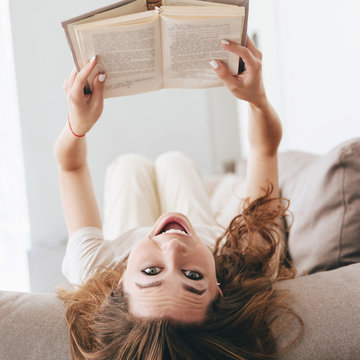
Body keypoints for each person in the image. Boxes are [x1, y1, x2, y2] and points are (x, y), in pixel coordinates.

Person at [55, 37, 302, 360]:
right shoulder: (247, 258)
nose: (173, 249)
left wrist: (77, 124)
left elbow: (71, 167)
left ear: (118, 287)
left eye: (151, 273)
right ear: (218, 291)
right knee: (174, 161)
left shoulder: (93, 266)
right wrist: (257, 100)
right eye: (193, 276)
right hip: (203, 231)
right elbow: (264, 150)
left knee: (129, 166)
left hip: (126, 240)